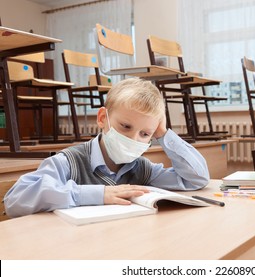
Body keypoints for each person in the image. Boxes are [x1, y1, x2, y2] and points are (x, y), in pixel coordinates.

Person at [4, 77, 210, 218]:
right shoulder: (69, 162)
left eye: (145, 134)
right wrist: (97, 194)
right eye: (125, 126)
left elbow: (197, 179)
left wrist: (164, 134)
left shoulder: (142, 169)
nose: (133, 139)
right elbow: (15, 200)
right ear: (103, 118)